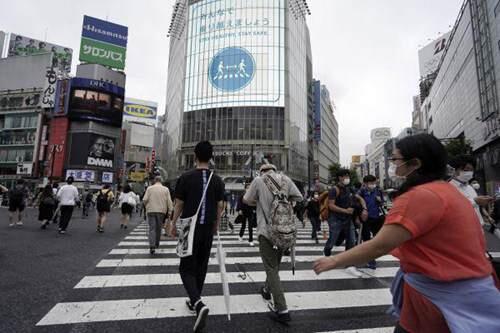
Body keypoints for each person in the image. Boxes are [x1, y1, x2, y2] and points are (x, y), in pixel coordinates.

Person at [313, 134, 500, 333]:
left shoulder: (419, 196)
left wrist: (334, 261)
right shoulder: (448, 191)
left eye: (395, 159)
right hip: (468, 291)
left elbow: (381, 245)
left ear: (415, 163)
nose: (392, 165)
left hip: (436, 299)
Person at [169, 141, 225, 333]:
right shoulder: (217, 180)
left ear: (195, 155)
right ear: (210, 157)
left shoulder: (185, 177)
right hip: (208, 227)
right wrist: (216, 224)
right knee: (201, 265)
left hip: (188, 228)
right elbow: (220, 206)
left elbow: (178, 203)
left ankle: (198, 303)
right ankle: (196, 300)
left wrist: (171, 223)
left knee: (185, 267)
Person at [243, 164, 303, 325]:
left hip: (266, 230)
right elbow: (299, 198)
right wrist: (285, 200)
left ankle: (282, 309)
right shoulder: (286, 180)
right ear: (274, 171)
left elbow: (246, 199)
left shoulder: (258, 180)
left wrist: (260, 201)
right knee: (274, 265)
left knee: (271, 268)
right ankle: (266, 289)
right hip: (284, 230)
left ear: (262, 171)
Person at [323, 169, 367, 277]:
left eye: (348, 176)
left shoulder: (350, 189)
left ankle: (349, 264)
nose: (347, 178)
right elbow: (331, 205)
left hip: (348, 219)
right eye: (345, 176)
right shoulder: (334, 189)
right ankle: (327, 250)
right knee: (333, 240)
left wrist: (364, 209)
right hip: (335, 219)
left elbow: (359, 198)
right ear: (340, 177)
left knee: (351, 240)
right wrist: (345, 211)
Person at [448, 155, 494, 225]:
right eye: (466, 170)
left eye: (471, 170)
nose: (469, 173)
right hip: (463, 230)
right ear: (454, 169)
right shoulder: (448, 188)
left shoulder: (470, 188)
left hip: (479, 227)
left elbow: (477, 209)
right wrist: (475, 201)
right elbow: (453, 209)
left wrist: (486, 217)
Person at [358, 175, 386, 269]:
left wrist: (380, 201)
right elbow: (356, 198)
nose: (373, 185)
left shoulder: (378, 191)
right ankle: (371, 261)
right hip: (366, 219)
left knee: (376, 240)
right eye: (371, 183)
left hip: (377, 218)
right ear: (365, 183)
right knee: (367, 240)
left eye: (374, 183)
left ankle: (371, 257)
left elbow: (383, 202)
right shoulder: (361, 191)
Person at [143, 176, 173, 254]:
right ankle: (156, 243)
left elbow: (145, 199)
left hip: (151, 210)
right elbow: (169, 201)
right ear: (161, 181)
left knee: (152, 228)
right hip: (161, 211)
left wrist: (146, 206)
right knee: (159, 228)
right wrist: (170, 211)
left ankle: (152, 246)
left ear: (155, 180)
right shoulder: (166, 189)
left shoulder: (150, 188)